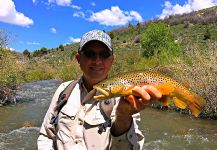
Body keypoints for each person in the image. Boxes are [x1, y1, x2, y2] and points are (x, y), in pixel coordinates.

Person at [37, 29, 162, 150]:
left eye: (104, 55)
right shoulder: (64, 90)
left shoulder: (127, 98)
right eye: (90, 54)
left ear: (112, 59)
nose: (97, 61)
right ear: (79, 59)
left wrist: (123, 116)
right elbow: (46, 136)